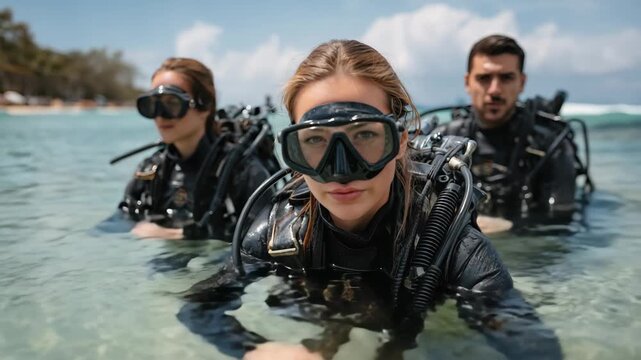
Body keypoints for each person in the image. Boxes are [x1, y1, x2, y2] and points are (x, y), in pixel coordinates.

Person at [178, 40, 562, 359]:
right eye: (314, 142)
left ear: (401, 142)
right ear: (293, 152)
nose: (341, 170)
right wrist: (251, 349)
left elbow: (534, 346)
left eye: (364, 135)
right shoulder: (278, 231)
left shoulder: (449, 244)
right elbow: (197, 307)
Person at [429, 34, 582, 228]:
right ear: (468, 82)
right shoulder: (443, 142)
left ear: (522, 83)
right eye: (484, 78)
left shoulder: (551, 147)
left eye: (506, 78)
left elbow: (560, 223)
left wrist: (508, 228)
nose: (494, 90)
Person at [116, 57, 275, 240]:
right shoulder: (151, 170)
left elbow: (263, 240)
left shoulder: (242, 170)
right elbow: (119, 221)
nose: (160, 116)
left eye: (172, 103)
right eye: (152, 105)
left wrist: (178, 234)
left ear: (205, 106)